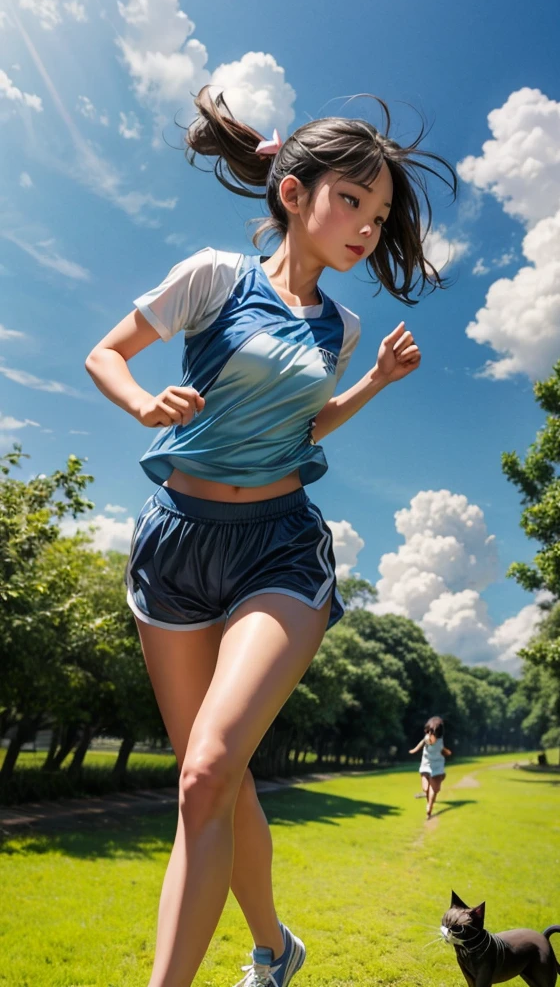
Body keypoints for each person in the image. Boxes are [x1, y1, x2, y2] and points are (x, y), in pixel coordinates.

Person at [85, 86, 456, 987]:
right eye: (353, 202)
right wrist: (144, 404)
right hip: (175, 542)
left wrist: (371, 384)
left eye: (379, 213)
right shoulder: (216, 277)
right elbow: (106, 353)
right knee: (209, 777)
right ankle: (274, 948)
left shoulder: (343, 326)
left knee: (211, 766)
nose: (367, 228)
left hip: (279, 546)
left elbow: (302, 428)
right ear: (295, 194)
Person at [409, 716, 452, 818]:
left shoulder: (440, 740)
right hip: (426, 764)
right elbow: (423, 742)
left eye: (432, 732)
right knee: (425, 788)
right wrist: (415, 750)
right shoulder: (428, 738)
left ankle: (429, 807)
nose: (429, 734)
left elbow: (442, 749)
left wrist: (447, 752)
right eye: (428, 731)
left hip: (437, 766)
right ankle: (429, 799)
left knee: (434, 789)